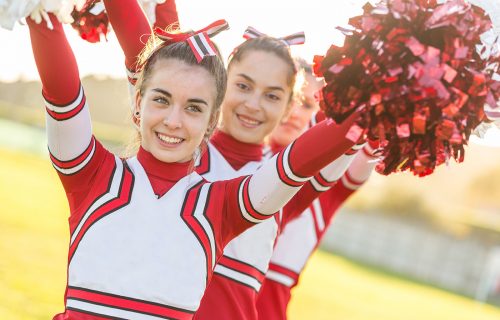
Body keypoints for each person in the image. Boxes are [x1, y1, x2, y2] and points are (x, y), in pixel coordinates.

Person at [27, 5, 363, 320]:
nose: (173, 121)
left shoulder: (220, 205)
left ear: (210, 119)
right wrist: (36, 10)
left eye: (194, 108)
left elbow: (298, 163)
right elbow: (64, 94)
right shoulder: (93, 174)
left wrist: (381, 94)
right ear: (138, 103)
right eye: (162, 100)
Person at [256, 60, 379, 320]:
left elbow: (365, 138)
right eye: (286, 99)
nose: (294, 113)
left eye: (308, 105)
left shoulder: (330, 178)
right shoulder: (242, 163)